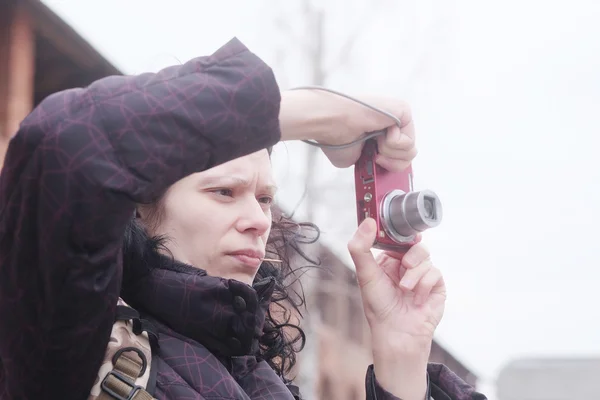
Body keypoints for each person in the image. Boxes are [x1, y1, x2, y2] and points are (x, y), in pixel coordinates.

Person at [0, 38, 486, 400]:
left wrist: (401, 365)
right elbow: (64, 144)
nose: (258, 219)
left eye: (265, 198)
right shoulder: (65, 340)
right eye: (224, 191)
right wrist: (308, 113)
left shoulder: (265, 384)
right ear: (139, 210)